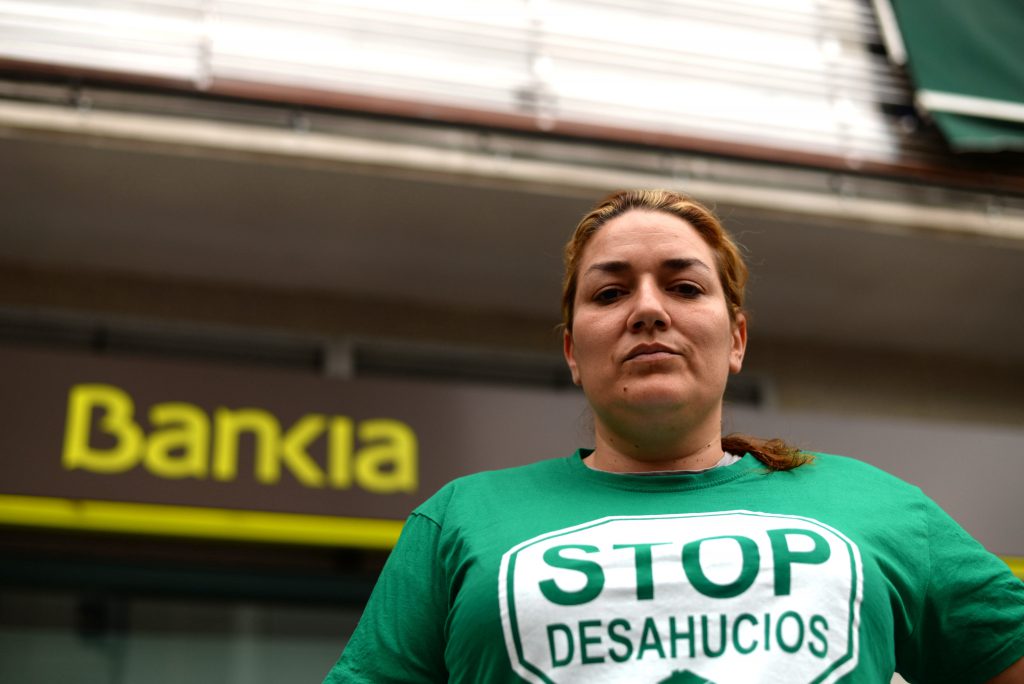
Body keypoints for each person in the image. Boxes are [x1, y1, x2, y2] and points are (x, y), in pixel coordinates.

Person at [323, 189, 1024, 683]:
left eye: (685, 287)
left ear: (737, 338)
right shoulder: (459, 520)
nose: (649, 309)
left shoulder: (877, 506)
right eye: (610, 292)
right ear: (572, 351)